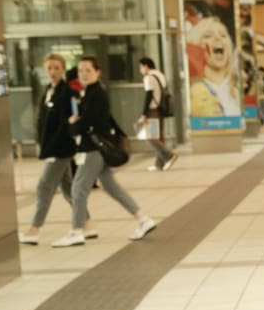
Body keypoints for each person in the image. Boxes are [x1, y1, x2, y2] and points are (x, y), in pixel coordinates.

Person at [52, 56, 155, 247]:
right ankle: (143, 219)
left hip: (95, 148)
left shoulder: (95, 93)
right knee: (110, 186)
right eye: (81, 70)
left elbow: (87, 123)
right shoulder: (91, 92)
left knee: (78, 188)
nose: (83, 74)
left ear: (97, 72)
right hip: (98, 147)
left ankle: (76, 231)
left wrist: (73, 124)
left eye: (88, 70)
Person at [18, 54, 97, 245]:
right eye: (49, 68)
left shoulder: (67, 93)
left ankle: (33, 229)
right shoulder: (47, 91)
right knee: (69, 189)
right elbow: (43, 121)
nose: (52, 72)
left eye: (56, 68)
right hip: (51, 147)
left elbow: (67, 124)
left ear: (62, 69)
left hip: (60, 149)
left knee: (43, 188)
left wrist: (51, 147)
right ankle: (86, 224)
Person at [189, 16, 242, 117]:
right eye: (208, 36)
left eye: (223, 35)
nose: (218, 38)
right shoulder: (193, 91)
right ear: (196, 46)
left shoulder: (238, 87)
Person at [137, 58, 178, 172]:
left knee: (150, 137)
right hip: (161, 109)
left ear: (146, 66)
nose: (140, 70)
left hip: (152, 110)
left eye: (140, 67)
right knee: (159, 137)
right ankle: (159, 164)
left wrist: (144, 113)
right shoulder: (160, 75)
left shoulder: (148, 77)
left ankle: (169, 156)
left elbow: (149, 95)